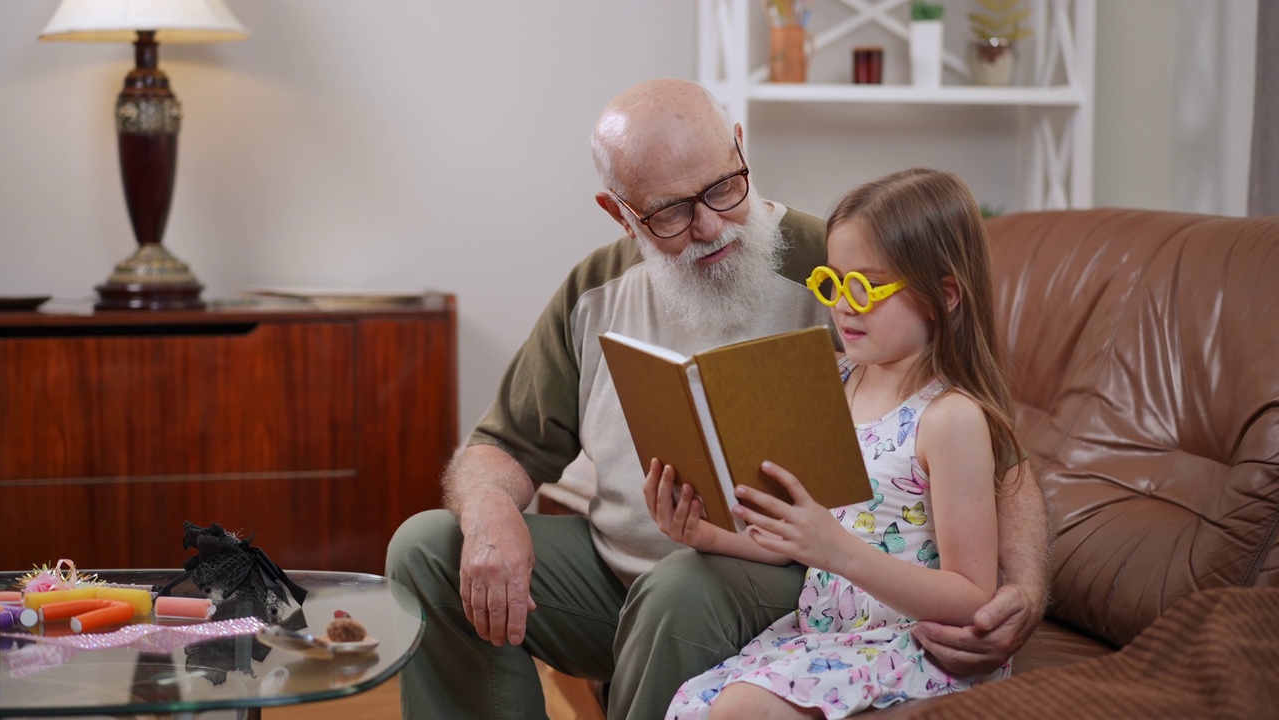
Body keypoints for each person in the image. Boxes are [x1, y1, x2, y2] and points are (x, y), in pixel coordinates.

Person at [385, 78, 1050, 720]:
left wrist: (1020, 591)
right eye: (670, 211)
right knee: (429, 548)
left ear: (739, 148)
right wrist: (491, 510)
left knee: (682, 588)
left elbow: (993, 446)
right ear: (619, 213)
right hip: (620, 575)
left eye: (722, 189)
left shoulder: (841, 269)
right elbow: (500, 446)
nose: (708, 225)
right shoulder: (594, 290)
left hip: (780, 583)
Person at [660, 167, 1021, 719]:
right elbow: (801, 541)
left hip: (910, 646)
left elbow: (973, 596)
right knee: (694, 705)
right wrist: (705, 535)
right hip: (829, 636)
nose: (844, 306)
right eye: (833, 283)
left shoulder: (950, 420)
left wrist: (840, 552)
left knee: (739, 710)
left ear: (942, 296)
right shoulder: (836, 381)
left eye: (865, 287)